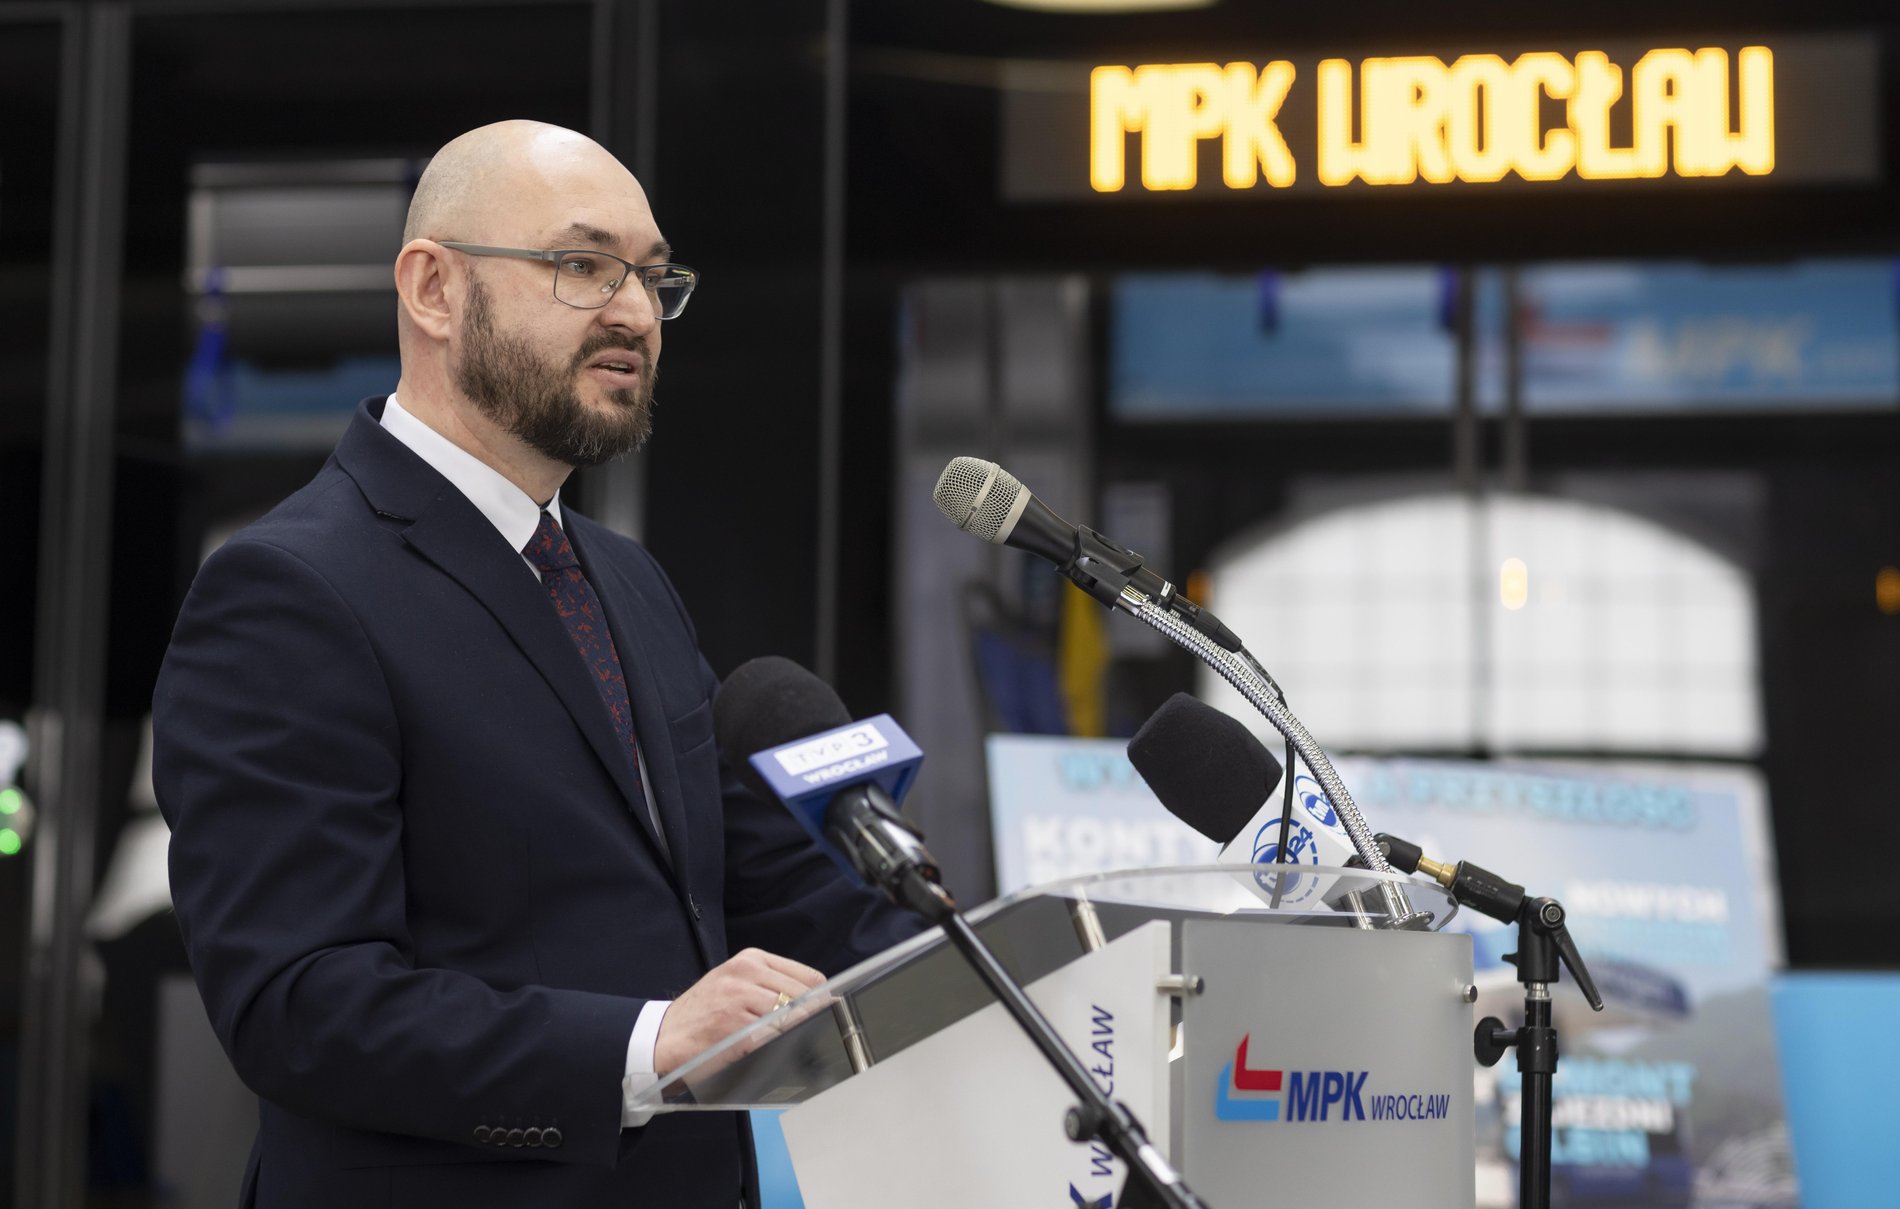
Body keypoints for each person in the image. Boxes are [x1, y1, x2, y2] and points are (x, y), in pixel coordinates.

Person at [153, 120, 923, 1209]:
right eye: (582, 265)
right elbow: (301, 1003)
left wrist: (1003, 957)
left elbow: (757, 894)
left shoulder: (625, 579)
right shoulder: (288, 591)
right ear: (432, 289)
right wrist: (648, 1047)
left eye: (653, 277)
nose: (635, 312)